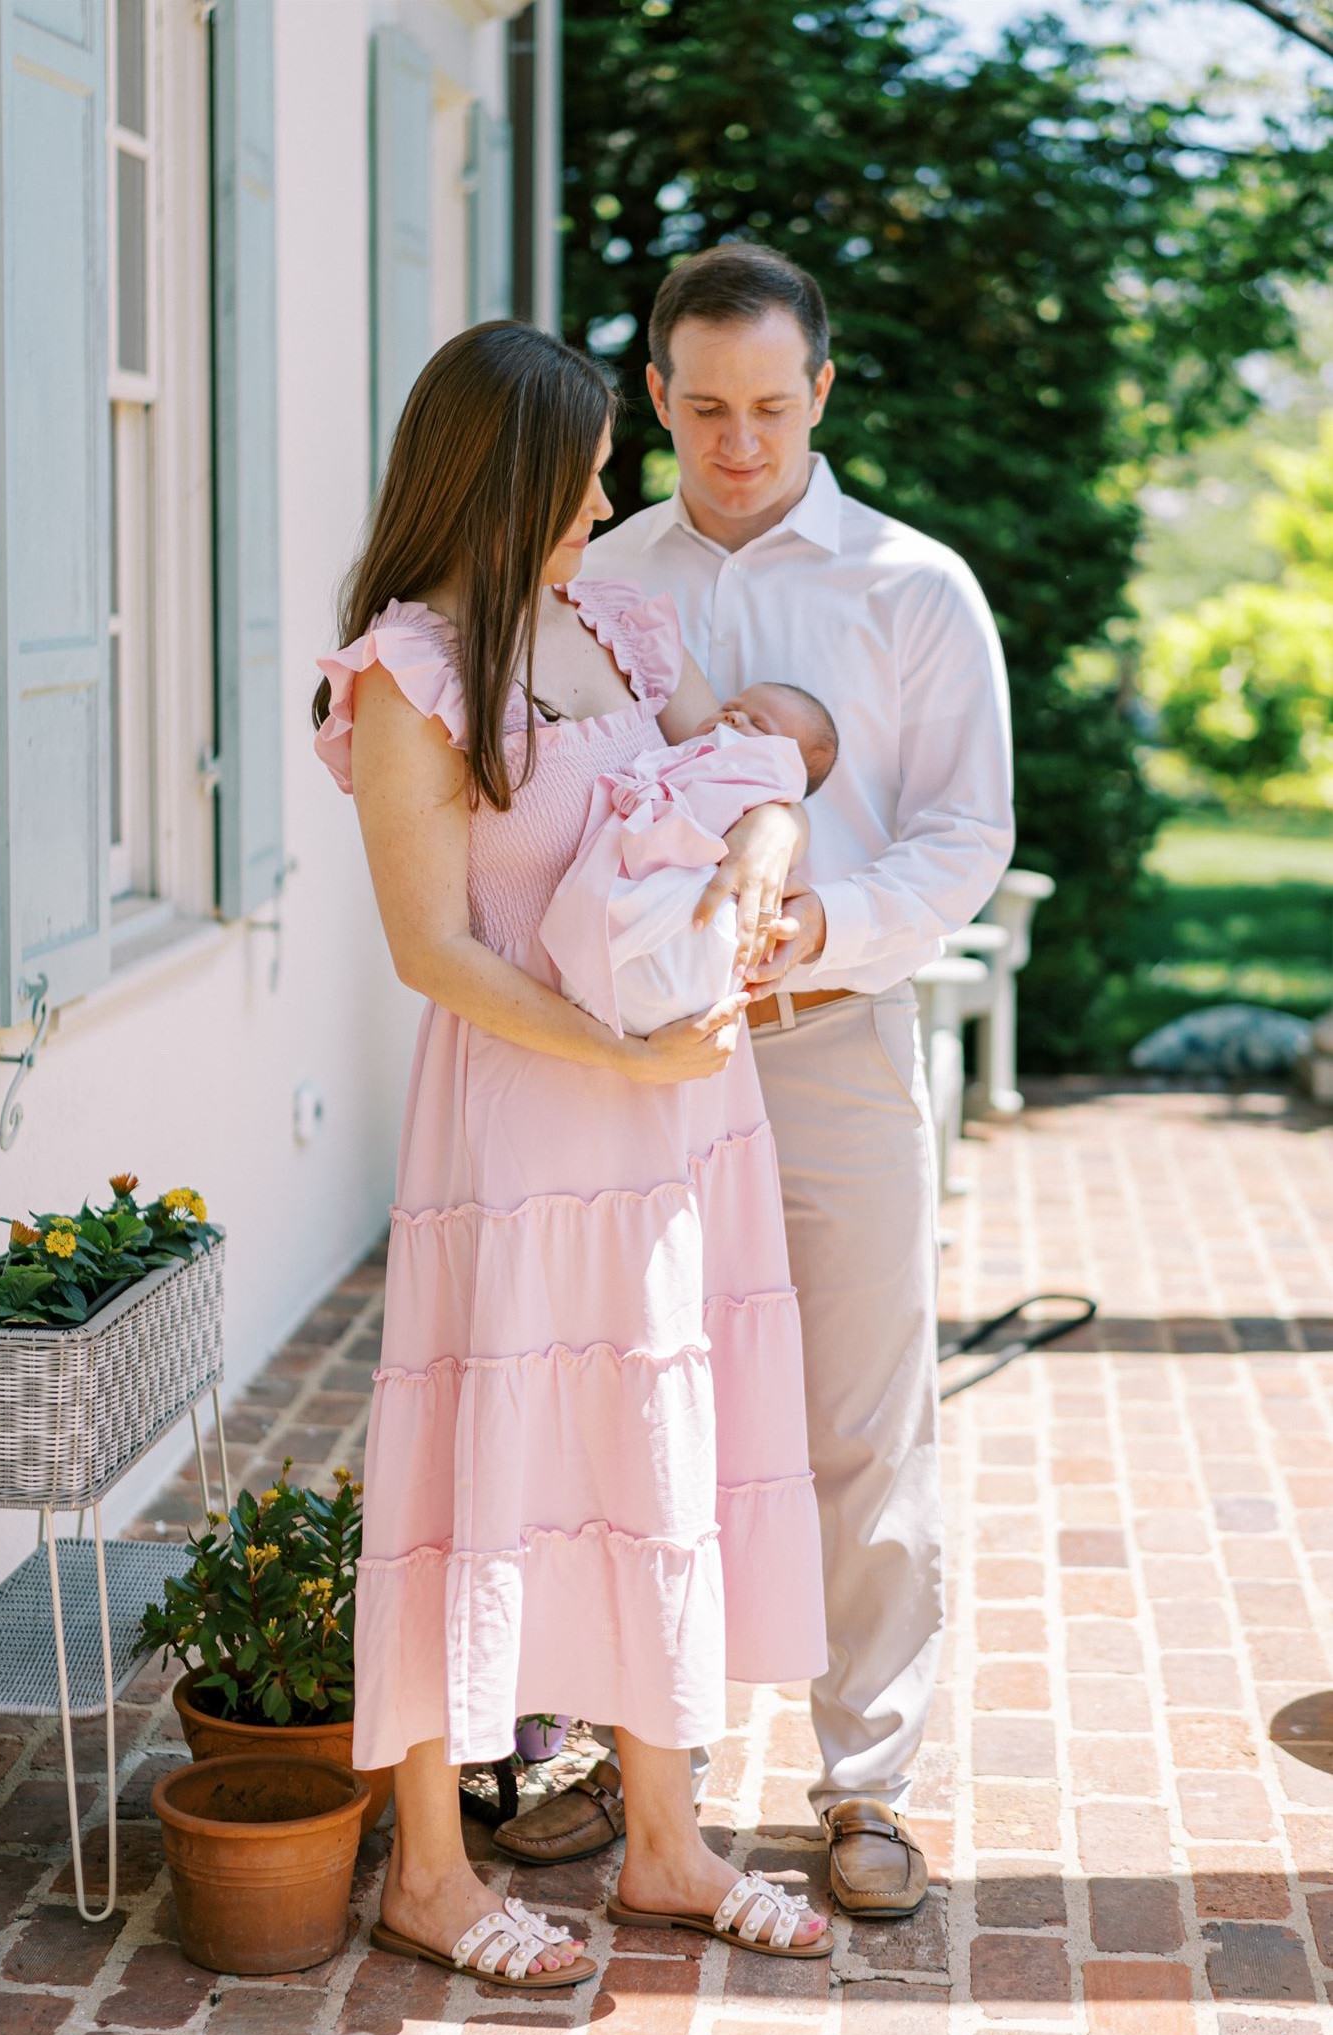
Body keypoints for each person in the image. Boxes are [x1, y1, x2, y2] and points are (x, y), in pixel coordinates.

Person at [494, 246, 1014, 1922]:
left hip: (831, 1048)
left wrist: (818, 924)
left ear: (823, 392)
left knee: (859, 1423)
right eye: (702, 408)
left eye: (769, 409)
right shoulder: (591, 576)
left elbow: (964, 831)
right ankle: (648, 1772)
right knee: (641, 1414)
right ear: (651, 396)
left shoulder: (909, 587)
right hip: (637, 1071)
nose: (736, 442)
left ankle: (864, 1785)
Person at [312, 320, 834, 1990]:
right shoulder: (406, 673)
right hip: (533, 1118)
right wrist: (610, 1048)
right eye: (589, 465)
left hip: (678, 1122)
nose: (611, 491)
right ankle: (431, 1873)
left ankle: (669, 1848)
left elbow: (741, 760)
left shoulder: (613, 617)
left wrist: (763, 830)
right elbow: (429, 947)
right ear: (506, 474)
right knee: (483, 1464)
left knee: (657, 1459)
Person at [540, 682, 839, 1037]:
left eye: (758, 725)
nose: (733, 714)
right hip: (635, 956)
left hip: (695, 936)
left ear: (786, 766)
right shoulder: (693, 759)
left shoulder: (753, 781)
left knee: (708, 925)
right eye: (731, 705)